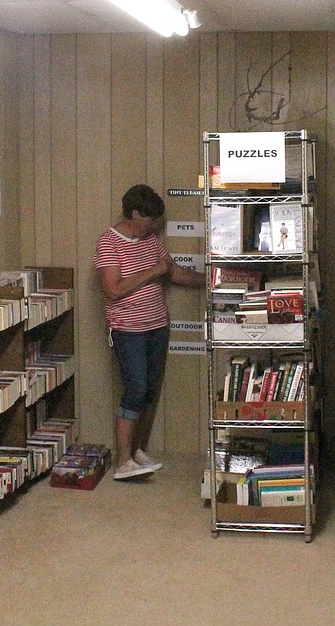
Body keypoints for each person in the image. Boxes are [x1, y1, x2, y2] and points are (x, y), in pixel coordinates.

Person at [96, 184, 203, 481]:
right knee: (136, 389)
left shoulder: (151, 240)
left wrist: (213, 279)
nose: (154, 225)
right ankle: (124, 461)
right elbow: (113, 289)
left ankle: (138, 450)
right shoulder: (108, 243)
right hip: (128, 330)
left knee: (149, 392)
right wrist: (152, 272)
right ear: (134, 214)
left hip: (157, 326)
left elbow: (174, 272)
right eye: (150, 220)